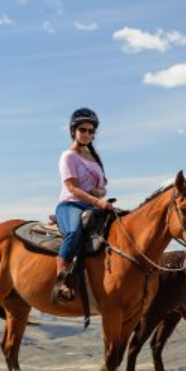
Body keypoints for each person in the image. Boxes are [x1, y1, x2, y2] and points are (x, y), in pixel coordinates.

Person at [54, 107, 112, 303]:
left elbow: (102, 187)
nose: (87, 134)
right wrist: (98, 201)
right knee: (74, 232)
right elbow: (72, 188)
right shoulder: (68, 156)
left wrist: (99, 194)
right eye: (83, 130)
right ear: (74, 131)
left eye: (91, 130)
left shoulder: (95, 159)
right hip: (70, 204)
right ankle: (62, 278)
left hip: (93, 205)